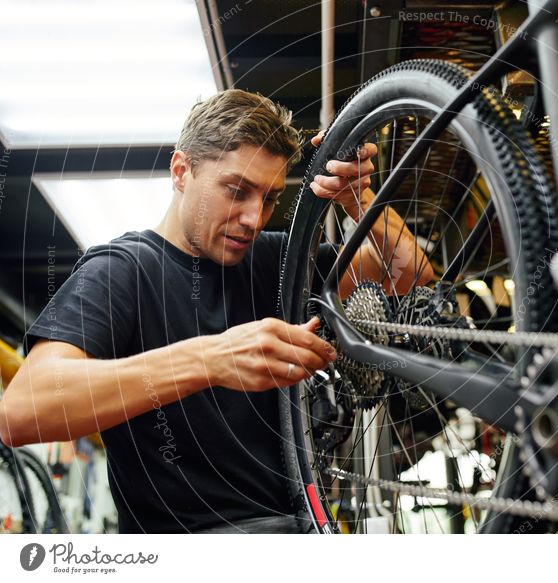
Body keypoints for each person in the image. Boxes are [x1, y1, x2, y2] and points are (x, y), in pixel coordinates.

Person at [0, 89, 433, 533]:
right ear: (181, 171)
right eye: (237, 190)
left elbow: (411, 275)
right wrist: (212, 359)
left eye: (268, 198)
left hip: (298, 534)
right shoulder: (120, 271)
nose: (254, 217)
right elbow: (20, 413)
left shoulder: (274, 261)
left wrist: (359, 200)